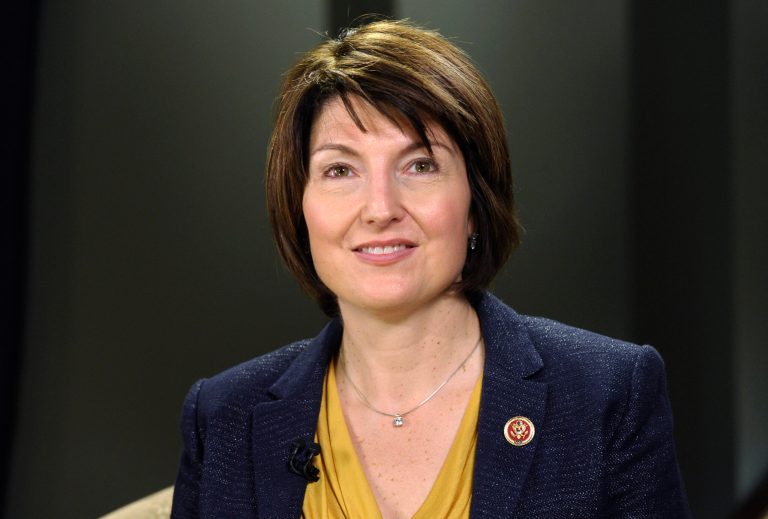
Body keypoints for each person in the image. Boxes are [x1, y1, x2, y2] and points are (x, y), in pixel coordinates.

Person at [171, 20, 690, 518]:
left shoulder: (609, 394)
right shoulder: (222, 417)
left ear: (474, 204)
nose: (379, 208)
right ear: (299, 207)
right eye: (339, 169)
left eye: (420, 165)